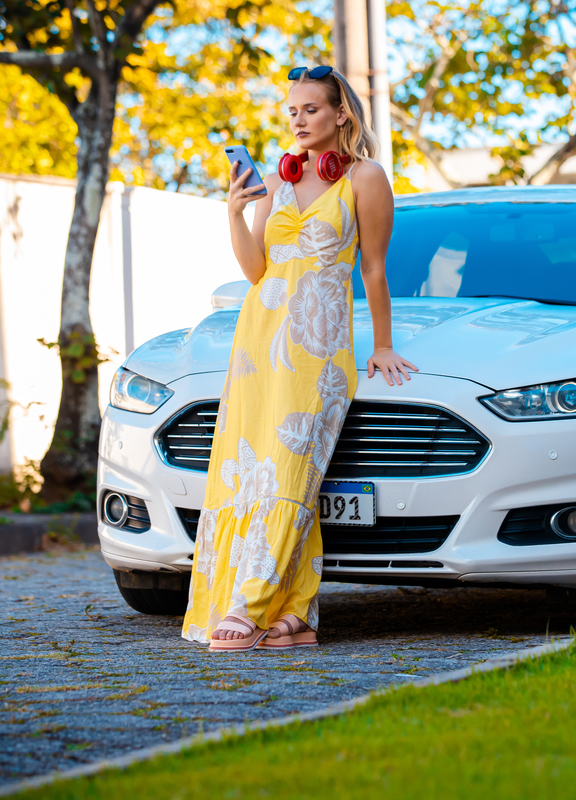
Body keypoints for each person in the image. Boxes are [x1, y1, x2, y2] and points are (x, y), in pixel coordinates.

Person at [182, 65, 417, 651]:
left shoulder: (365, 178)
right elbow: (257, 271)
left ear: (341, 113)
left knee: (292, 473)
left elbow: (375, 270)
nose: (298, 120)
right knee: (258, 474)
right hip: (257, 343)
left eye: (310, 109)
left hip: (318, 348)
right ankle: (296, 616)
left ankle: (250, 603)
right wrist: (234, 214)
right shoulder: (279, 181)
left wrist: (381, 345)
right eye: (292, 111)